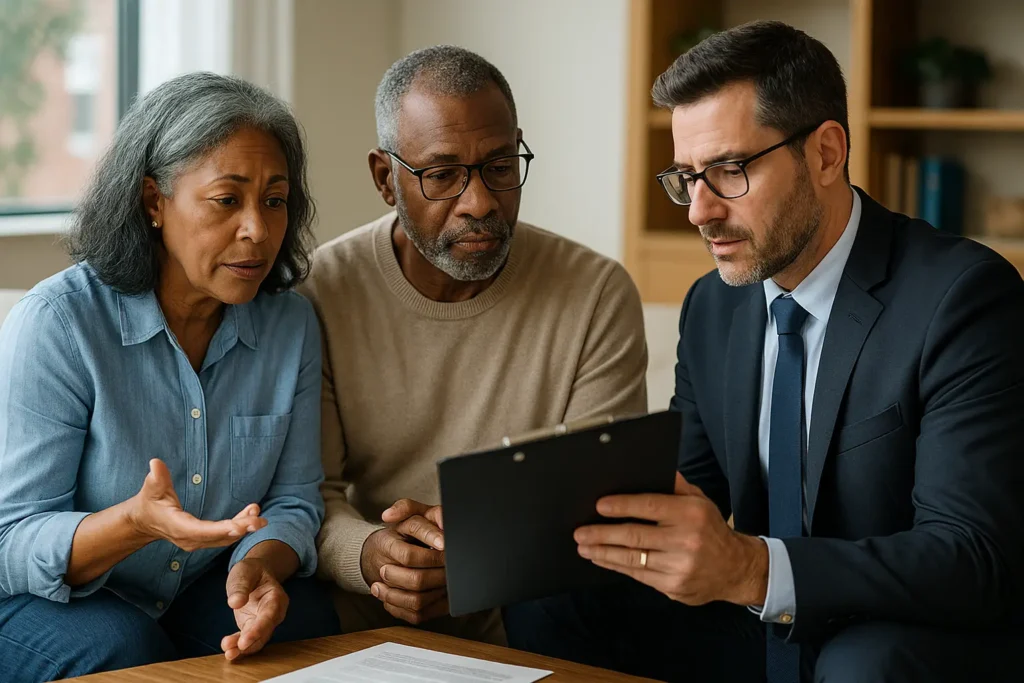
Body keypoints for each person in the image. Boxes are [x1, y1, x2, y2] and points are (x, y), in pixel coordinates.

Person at [503, 20, 1024, 683]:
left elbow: (971, 559)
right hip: (763, 624)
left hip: (900, 631)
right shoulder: (712, 306)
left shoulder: (962, 296)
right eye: (687, 177)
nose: (698, 211)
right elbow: (687, 488)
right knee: (554, 599)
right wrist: (530, 521)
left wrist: (752, 569)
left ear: (827, 153)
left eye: (728, 171)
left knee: (862, 664)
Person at [299, 46, 648, 643]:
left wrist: (475, 557)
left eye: (500, 166)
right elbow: (310, 494)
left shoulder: (596, 293)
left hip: (534, 610)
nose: (480, 202)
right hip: (374, 605)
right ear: (386, 179)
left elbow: (599, 506)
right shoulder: (320, 293)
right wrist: (371, 554)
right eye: (441, 176)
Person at [0, 72, 340, 681]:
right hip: (42, 597)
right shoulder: (58, 324)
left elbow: (293, 500)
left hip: (194, 586)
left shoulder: (289, 325)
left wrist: (257, 568)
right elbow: (12, 539)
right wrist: (134, 524)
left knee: (302, 620)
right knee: (122, 647)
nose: (258, 230)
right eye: (227, 200)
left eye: (275, 200)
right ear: (154, 202)